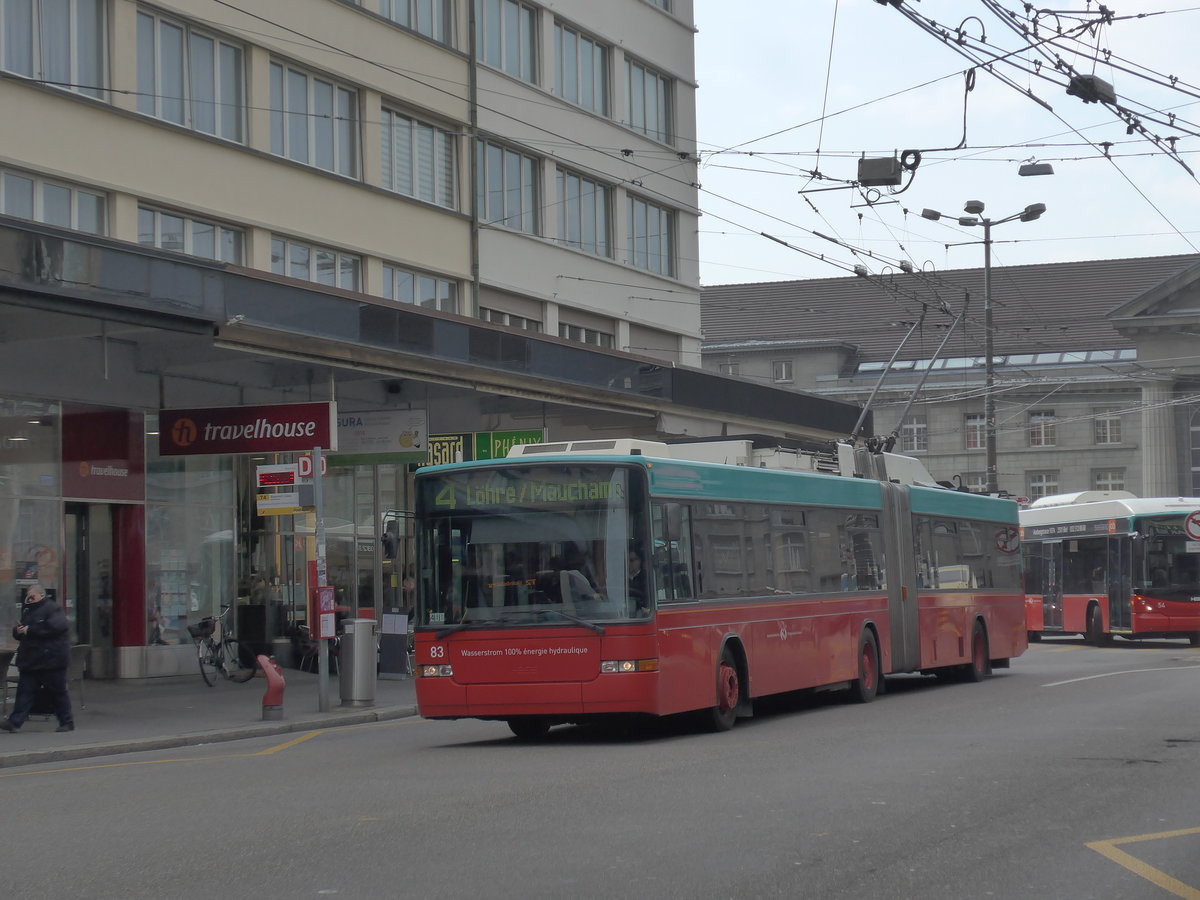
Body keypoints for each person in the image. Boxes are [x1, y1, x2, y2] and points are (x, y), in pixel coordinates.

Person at [1, 583, 75, 733]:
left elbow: (55, 628)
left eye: (32, 596)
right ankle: (14, 722)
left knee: (58, 692)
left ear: (41, 595)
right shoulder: (28, 610)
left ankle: (67, 722)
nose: (29, 599)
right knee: (24, 692)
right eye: (28, 596)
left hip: (51, 660)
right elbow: (22, 633)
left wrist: (30, 629)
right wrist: (19, 631)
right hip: (32, 660)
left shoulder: (53, 609)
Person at [628, 547, 651, 616]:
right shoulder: (620, 578)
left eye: (632, 560)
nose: (629, 563)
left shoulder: (645, 577)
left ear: (640, 561)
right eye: (627, 560)